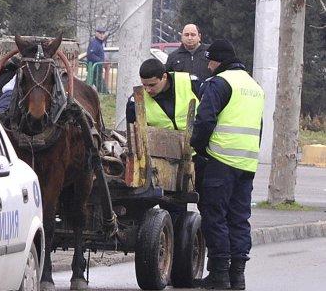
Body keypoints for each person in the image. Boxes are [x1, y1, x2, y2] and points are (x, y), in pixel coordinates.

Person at [190, 39, 264, 290]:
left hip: (220, 162)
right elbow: (259, 126)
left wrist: (199, 149)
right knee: (239, 218)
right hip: (247, 163)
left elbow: (204, 121)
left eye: (210, 61)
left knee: (215, 216)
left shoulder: (219, 83)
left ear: (218, 61)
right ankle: (237, 276)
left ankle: (219, 274)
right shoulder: (255, 86)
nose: (208, 66)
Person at [126, 58, 205, 228]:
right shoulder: (136, 100)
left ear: (164, 77)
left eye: (152, 85)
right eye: (144, 85)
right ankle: (172, 243)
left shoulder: (191, 84)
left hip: (197, 154)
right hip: (162, 161)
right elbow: (134, 134)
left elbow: (209, 112)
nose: (148, 89)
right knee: (172, 207)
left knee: (209, 204)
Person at [86, 26, 107, 93]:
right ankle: (106, 95)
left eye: (103, 33)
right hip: (94, 69)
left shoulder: (99, 43)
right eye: (100, 33)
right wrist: (100, 60)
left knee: (88, 85)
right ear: (96, 33)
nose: (102, 35)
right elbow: (90, 54)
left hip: (97, 69)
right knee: (101, 87)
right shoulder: (94, 43)